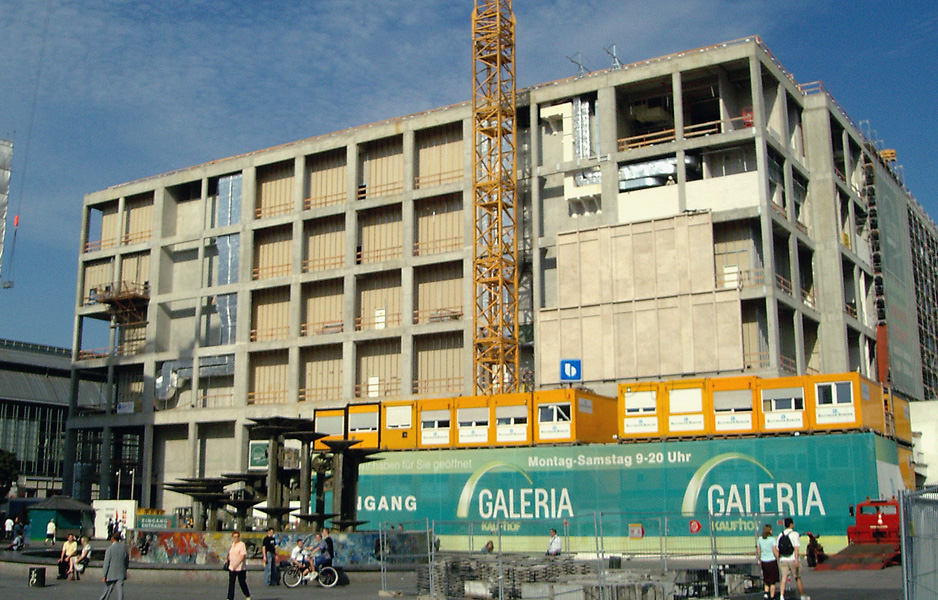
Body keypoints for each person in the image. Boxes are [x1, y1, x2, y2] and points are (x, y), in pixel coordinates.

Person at [777, 517, 809, 600]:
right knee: (797, 578)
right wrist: (797, 560)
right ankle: (802, 596)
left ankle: (781, 596)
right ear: (791, 524)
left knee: (784, 578)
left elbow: (778, 549)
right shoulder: (795, 534)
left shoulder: (780, 535)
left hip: (783, 560)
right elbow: (796, 548)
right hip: (792, 559)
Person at [99, 529, 129, 600]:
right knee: (120, 589)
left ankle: (103, 599)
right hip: (121, 572)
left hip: (111, 572)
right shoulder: (124, 548)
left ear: (112, 539)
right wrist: (125, 569)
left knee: (108, 589)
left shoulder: (110, 549)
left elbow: (106, 562)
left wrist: (104, 575)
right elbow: (127, 559)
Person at [225, 530, 251, 600]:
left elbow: (243, 556)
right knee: (231, 583)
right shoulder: (232, 544)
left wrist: (237, 564)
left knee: (242, 582)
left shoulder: (241, 545)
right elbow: (230, 553)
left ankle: (247, 595)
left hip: (240, 568)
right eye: (234, 537)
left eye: (237, 537)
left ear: (239, 537)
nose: (235, 538)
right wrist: (227, 559)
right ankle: (230, 598)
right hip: (232, 567)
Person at [756, 524, 779, 600]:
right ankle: (772, 596)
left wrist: (760, 559)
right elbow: (774, 550)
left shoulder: (760, 539)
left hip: (764, 561)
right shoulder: (772, 539)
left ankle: (766, 593)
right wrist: (778, 557)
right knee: (772, 581)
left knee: (766, 579)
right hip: (771, 561)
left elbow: (759, 551)